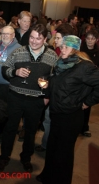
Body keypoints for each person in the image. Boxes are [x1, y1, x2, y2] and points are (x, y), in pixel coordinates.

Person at [0, 24, 58, 173]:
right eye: (32, 37)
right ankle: (4, 157)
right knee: (10, 129)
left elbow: (56, 78)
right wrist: (15, 72)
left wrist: (47, 94)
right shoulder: (18, 51)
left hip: (36, 101)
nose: (34, 41)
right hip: (15, 97)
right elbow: (5, 70)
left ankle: (26, 158)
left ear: (45, 39)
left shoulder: (52, 56)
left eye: (38, 38)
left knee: (30, 132)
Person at [37, 35, 99, 184]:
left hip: (71, 116)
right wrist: (46, 86)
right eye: (61, 46)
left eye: (66, 47)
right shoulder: (61, 62)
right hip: (56, 113)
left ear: (75, 49)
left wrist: (87, 102)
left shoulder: (84, 67)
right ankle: (48, 176)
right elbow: (57, 83)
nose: (62, 49)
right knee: (52, 148)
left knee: (64, 154)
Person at [35, 23, 74, 152]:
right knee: (47, 121)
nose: (55, 40)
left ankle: (52, 148)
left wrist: (86, 102)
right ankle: (46, 145)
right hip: (51, 94)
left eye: (57, 38)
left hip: (61, 99)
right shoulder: (54, 51)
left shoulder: (70, 57)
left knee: (55, 124)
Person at [0, 26, 21, 139]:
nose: (4, 36)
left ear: (13, 35)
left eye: (7, 34)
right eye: (3, 33)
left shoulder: (18, 49)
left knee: (5, 110)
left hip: (7, 85)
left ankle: (3, 133)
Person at [80, 29, 99, 137]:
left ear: (96, 40)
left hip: (91, 84)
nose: (90, 41)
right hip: (80, 82)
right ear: (85, 39)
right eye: (88, 38)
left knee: (87, 105)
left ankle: (84, 127)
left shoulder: (98, 53)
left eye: (92, 39)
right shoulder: (81, 51)